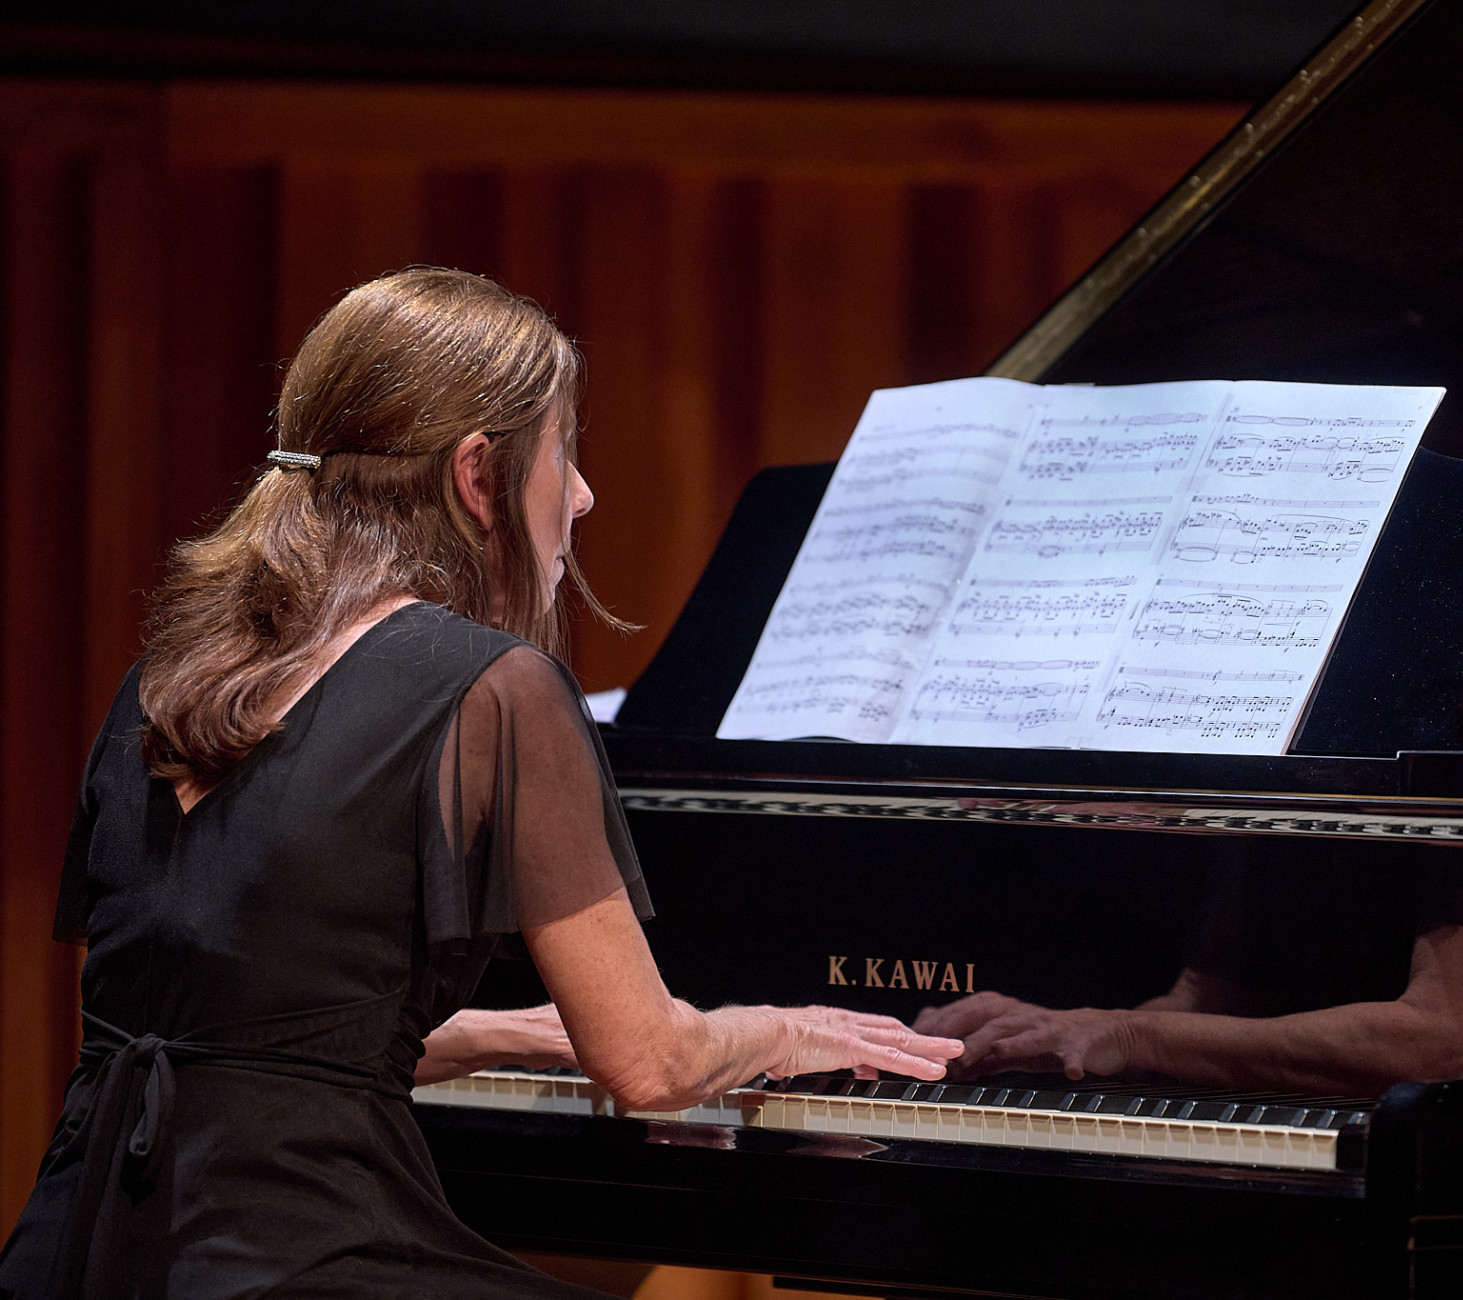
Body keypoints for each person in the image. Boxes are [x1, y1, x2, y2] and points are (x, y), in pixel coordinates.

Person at [0, 268, 960, 1300]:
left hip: (74, 1251)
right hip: (302, 1258)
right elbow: (650, 1066)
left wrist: (507, 1031)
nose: (582, 494)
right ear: (475, 474)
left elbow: (231, 1035)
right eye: (562, 450)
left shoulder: (167, 679)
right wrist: (784, 1027)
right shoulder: (497, 691)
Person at [914, 840, 1463, 1095]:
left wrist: (1127, 1032)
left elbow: (1444, 1046)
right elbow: (1204, 1002)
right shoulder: (1280, 780)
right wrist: (1041, 1035)